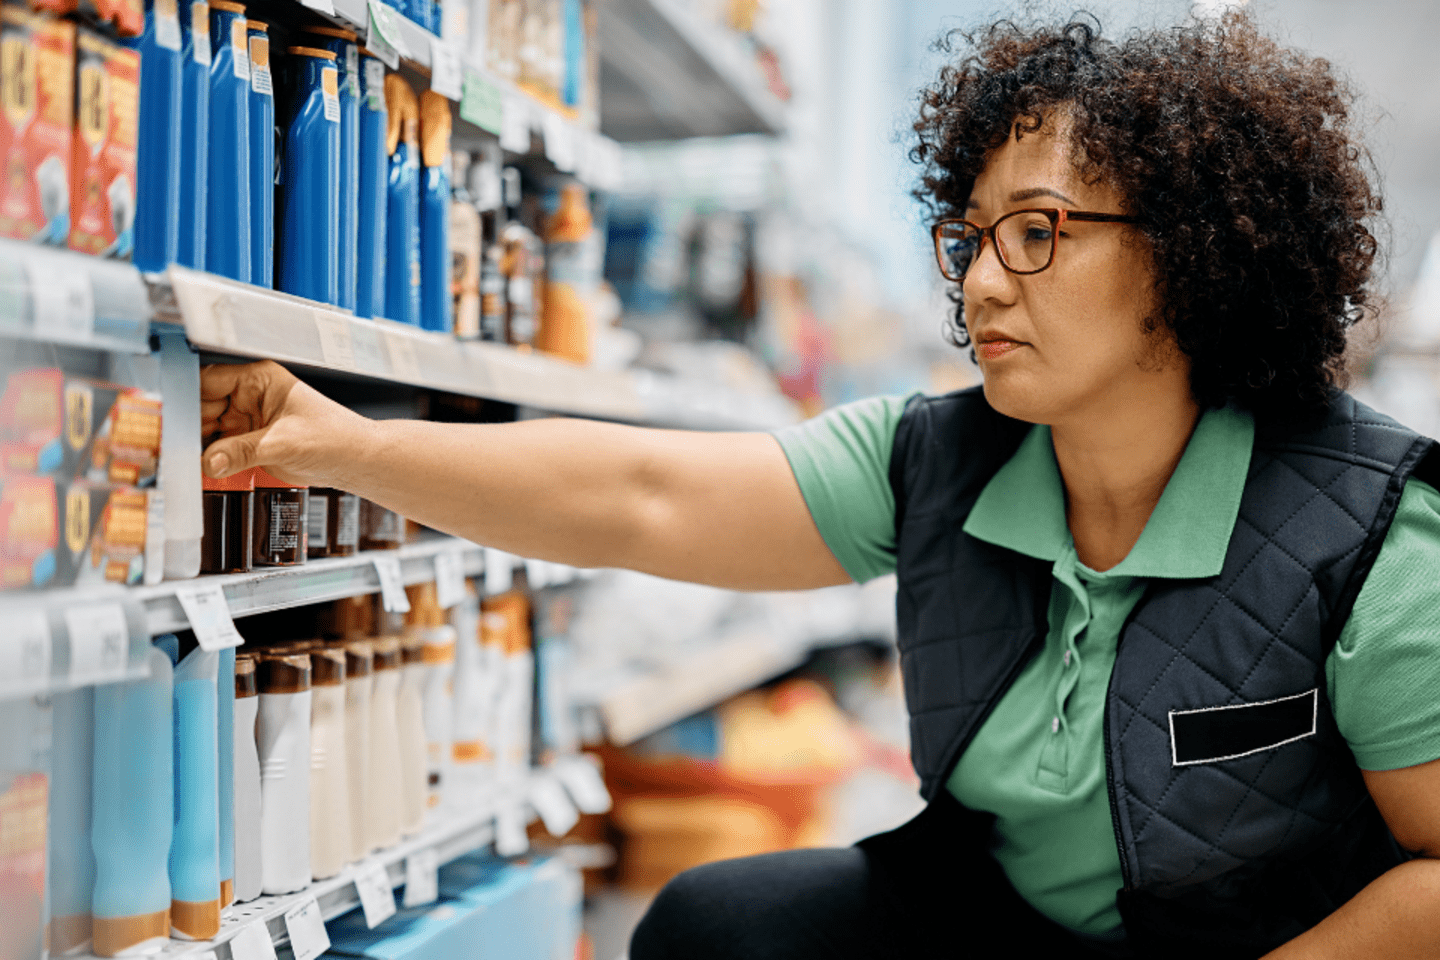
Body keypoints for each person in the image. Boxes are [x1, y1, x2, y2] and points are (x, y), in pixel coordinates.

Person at [200, 12, 1440, 959]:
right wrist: (330, 439)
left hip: (1261, 941)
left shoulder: (1371, 527)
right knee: (722, 925)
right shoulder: (936, 461)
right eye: (971, 240)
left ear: (1196, 255)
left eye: (1039, 232)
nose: (983, 285)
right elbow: (642, 494)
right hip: (995, 918)